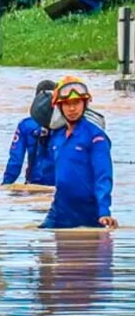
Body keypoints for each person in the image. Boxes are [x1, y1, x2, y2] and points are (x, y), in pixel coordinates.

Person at [41, 77, 117, 229]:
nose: (72, 109)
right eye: (67, 104)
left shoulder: (96, 137)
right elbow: (51, 174)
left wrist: (104, 211)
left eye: (76, 103)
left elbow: (103, 176)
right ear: (59, 107)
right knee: (38, 241)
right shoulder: (57, 137)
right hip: (59, 211)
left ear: (85, 104)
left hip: (89, 213)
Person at [3, 80, 57, 186]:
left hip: (33, 185)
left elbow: (15, 162)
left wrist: (5, 185)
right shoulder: (67, 126)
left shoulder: (25, 125)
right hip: (59, 187)